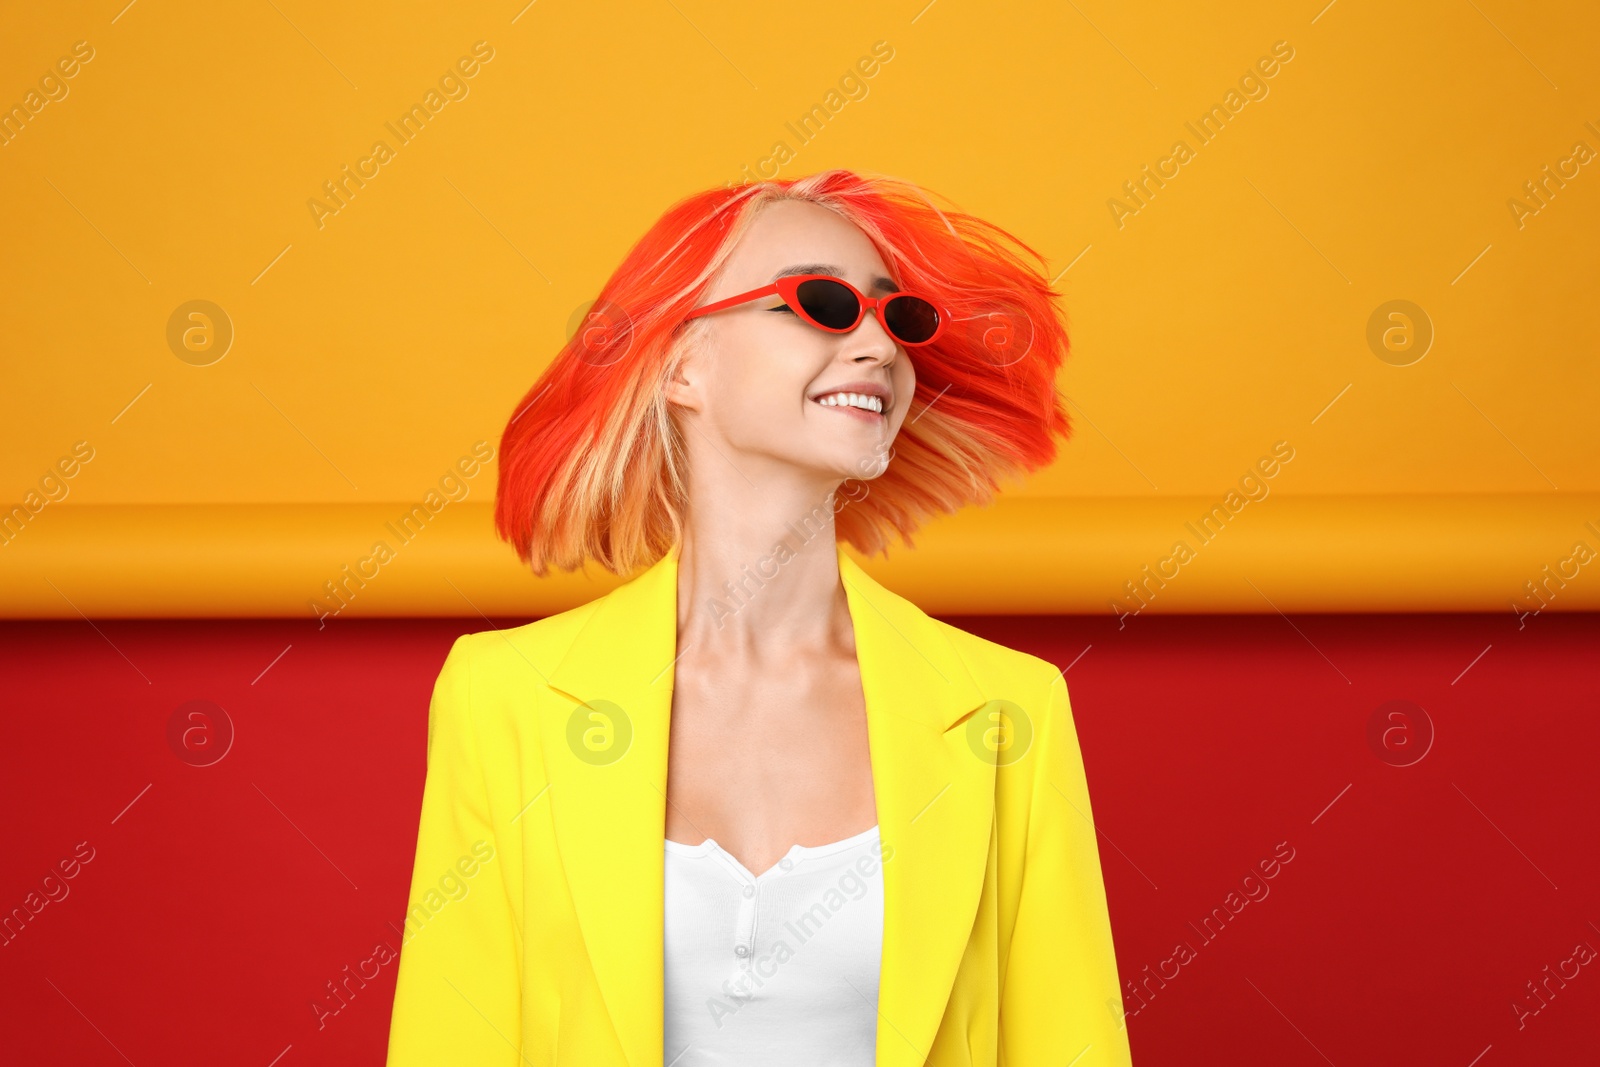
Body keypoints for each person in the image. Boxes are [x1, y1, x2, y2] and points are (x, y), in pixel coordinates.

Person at [384, 169, 1133, 1066]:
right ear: (680, 364)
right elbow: (451, 1040)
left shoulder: (1011, 710)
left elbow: (1067, 1045)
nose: (878, 347)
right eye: (820, 303)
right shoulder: (504, 697)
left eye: (897, 318)